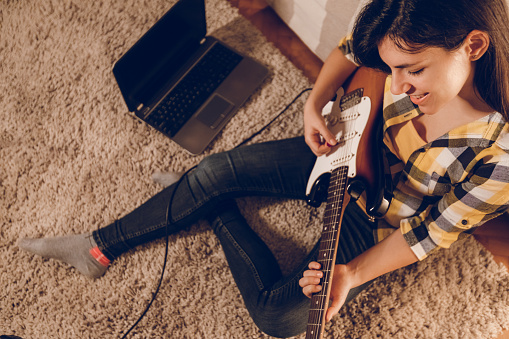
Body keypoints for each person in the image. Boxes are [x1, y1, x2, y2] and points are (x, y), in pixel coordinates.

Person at [18, 0, 509, 337]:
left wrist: (352, 275)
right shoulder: (402, 30)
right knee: (210, 170)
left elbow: (430, 234)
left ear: (474, 46)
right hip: (349, 146)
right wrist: (314, 103)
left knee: (279, 315)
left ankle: (219, 212)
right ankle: (97, 246)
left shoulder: (499, 158)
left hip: (380, 215)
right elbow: (351, 50)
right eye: (391, 68)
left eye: (414, 70)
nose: (397, 86)